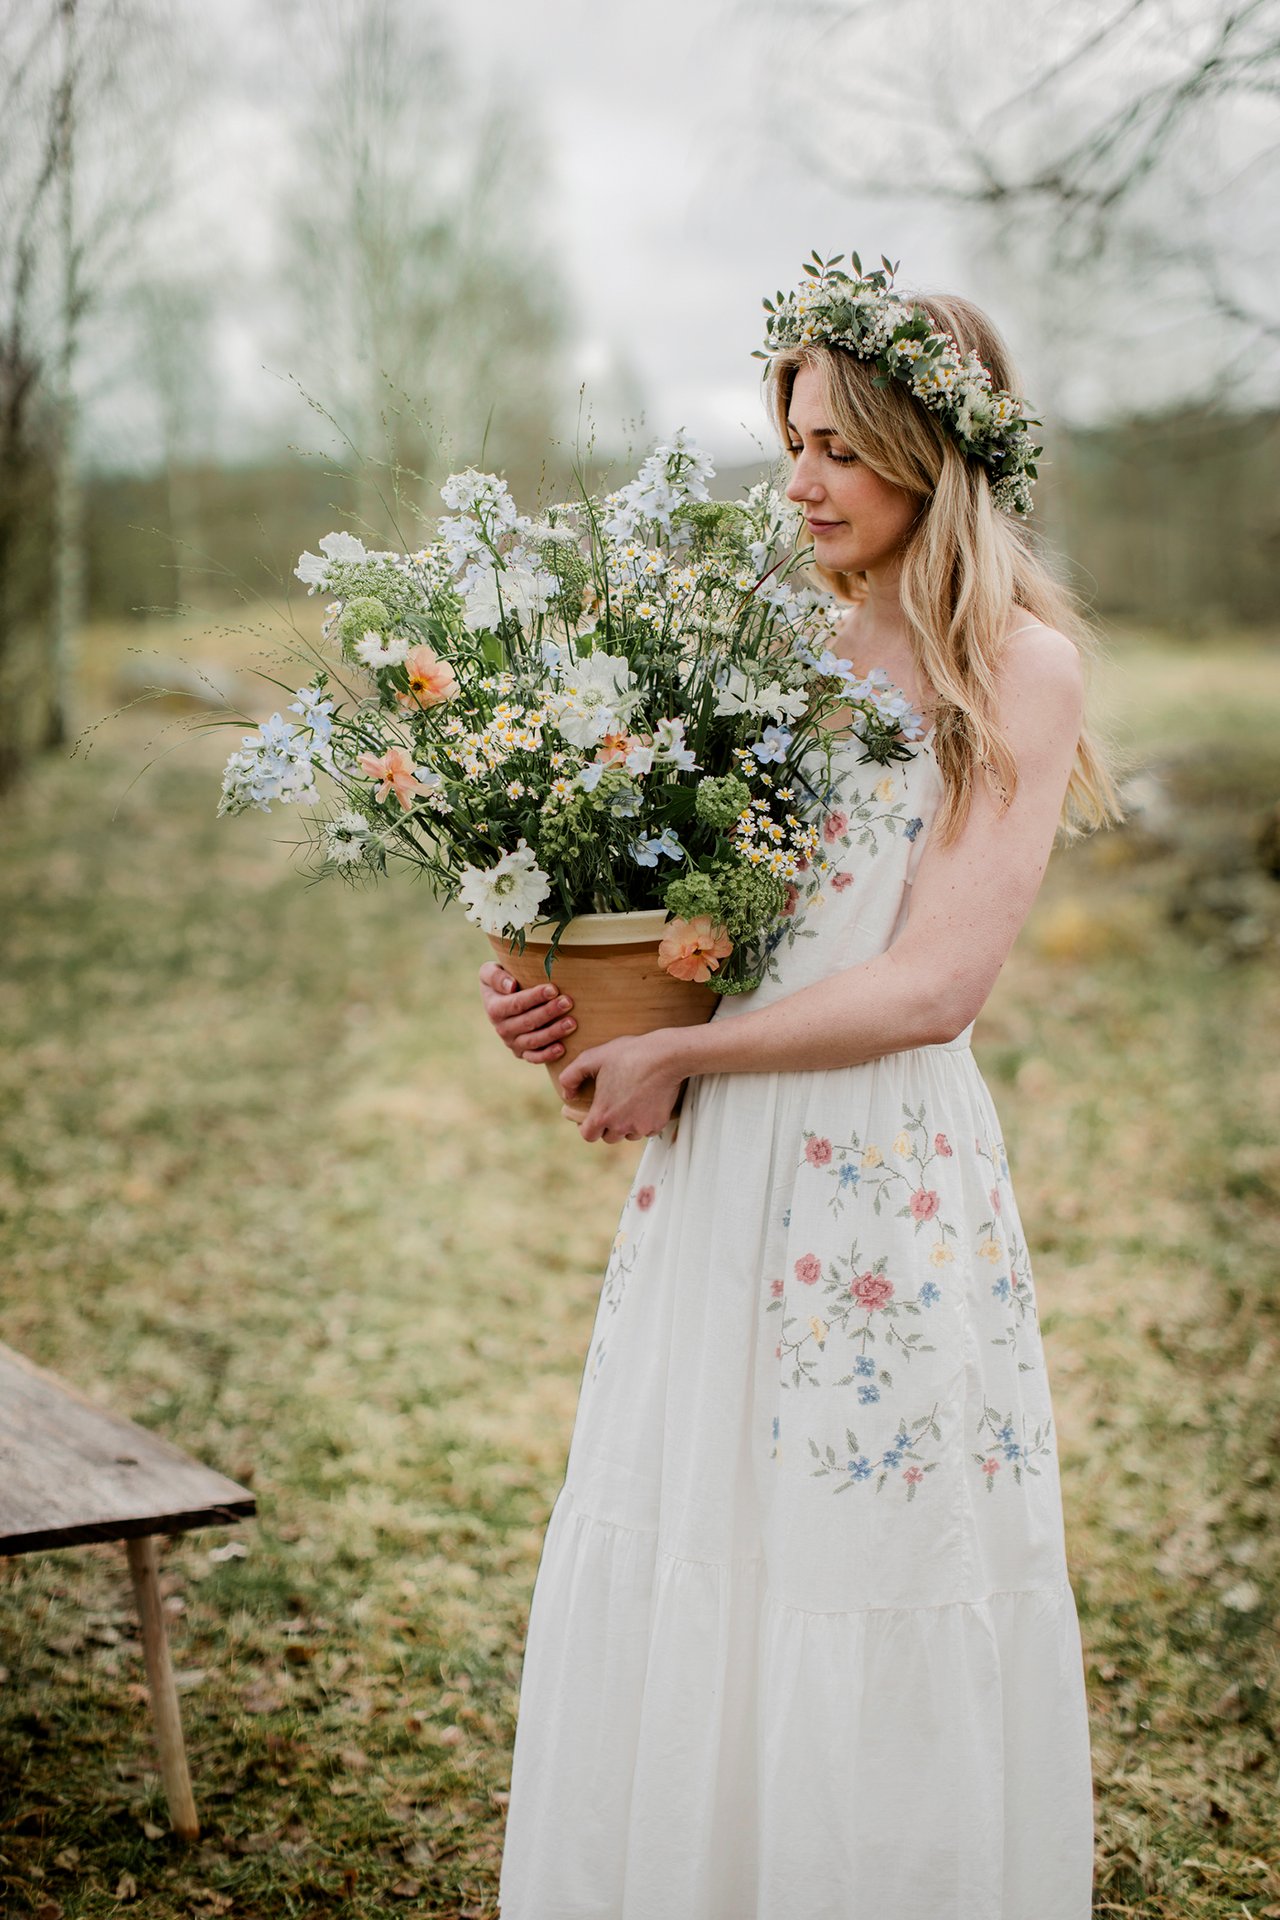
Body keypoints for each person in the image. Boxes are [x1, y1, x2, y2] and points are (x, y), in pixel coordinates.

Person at [478, 263, 1122, 1919]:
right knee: (700, 1535)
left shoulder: (1018, 671)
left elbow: (929, 988)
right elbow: (690, 930)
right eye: (795, 441)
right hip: (716, 1179)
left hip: (876, 1187)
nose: (805, 480)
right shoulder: (761, 642)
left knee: (859, 1555)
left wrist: (680, 1052)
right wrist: (565, 988)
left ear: (934, 448)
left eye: (842, 445)